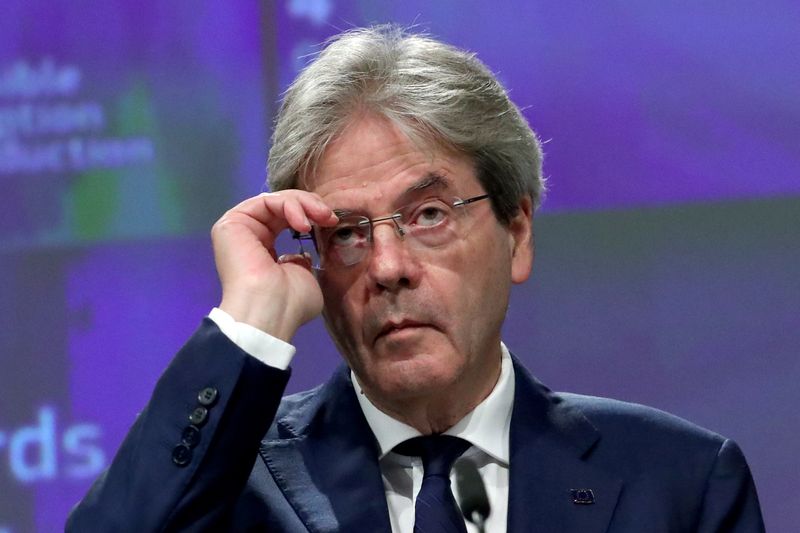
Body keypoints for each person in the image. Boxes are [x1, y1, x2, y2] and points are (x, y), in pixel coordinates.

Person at [67, 25, 764, 532]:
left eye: (428, 214)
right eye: (346, 231)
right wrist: (250, 320)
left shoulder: (680, 485)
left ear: (516, 231)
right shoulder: (232, 487)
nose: (389, 266)